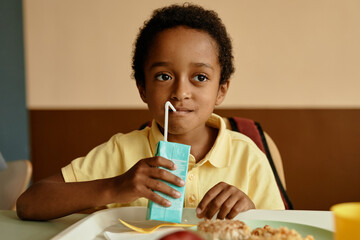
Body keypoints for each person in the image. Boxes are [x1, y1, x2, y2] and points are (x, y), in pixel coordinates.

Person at [17, 3, 284, 221]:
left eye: (200, 77)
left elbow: (283, 228)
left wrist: (251, 213)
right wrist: (115, 186)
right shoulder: (121, 152)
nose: (180, 92)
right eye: (164, 76)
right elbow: (29, 204)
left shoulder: (247, 156)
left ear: (221, 90)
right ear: (143, 88)